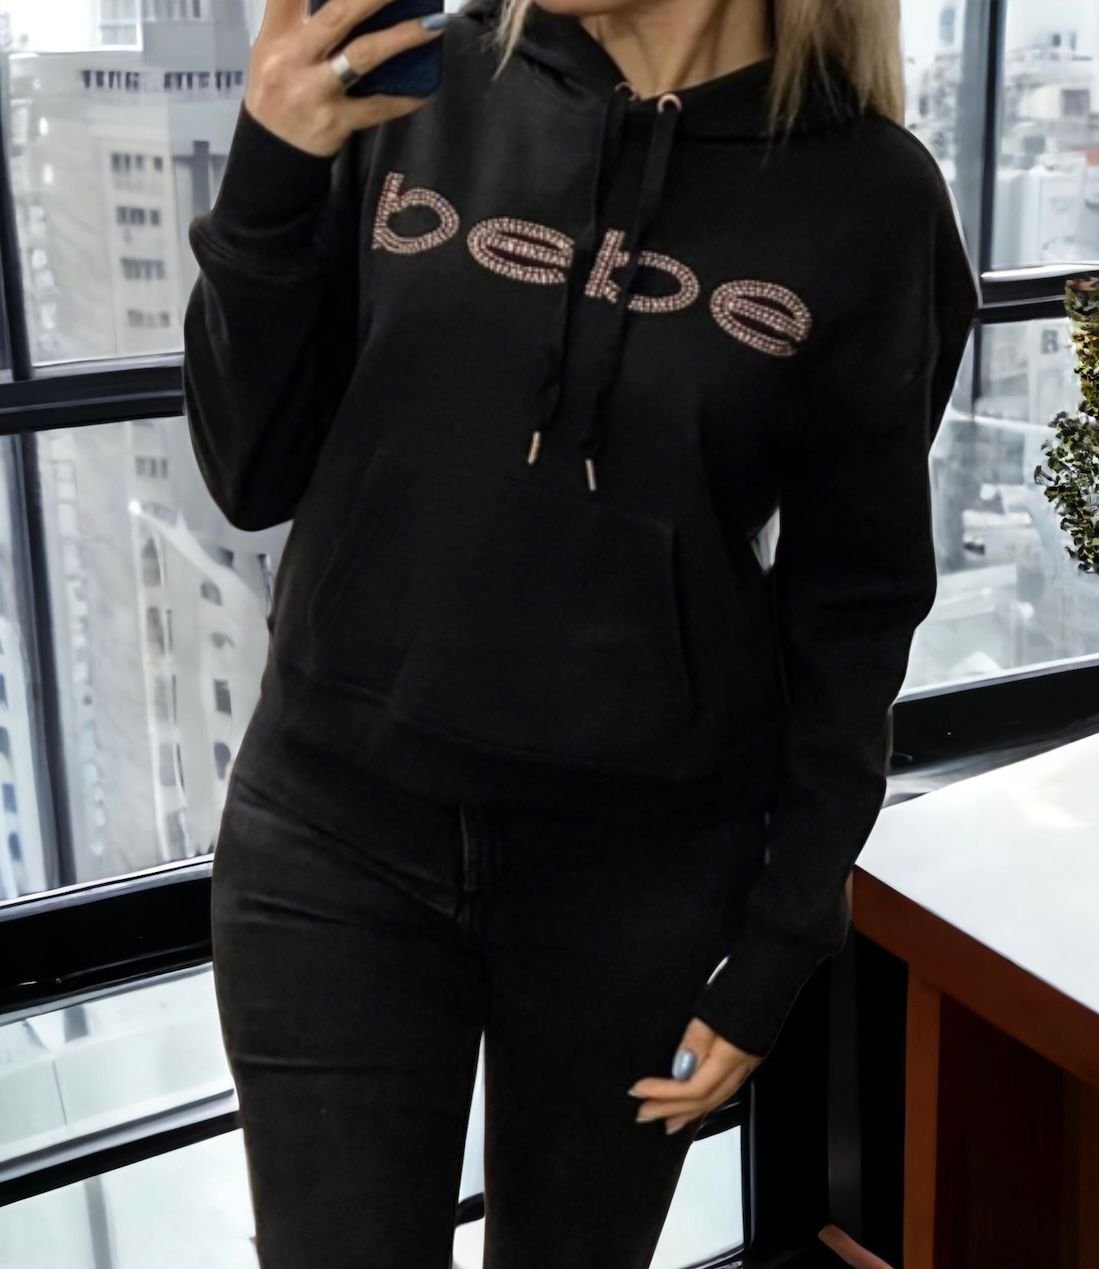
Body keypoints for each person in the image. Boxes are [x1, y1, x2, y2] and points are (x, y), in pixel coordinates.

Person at [183, 0, 979, 1263]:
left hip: (641, 888)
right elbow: (249, 471)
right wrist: (270, 175)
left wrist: (785, 934)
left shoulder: (873, 201)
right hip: (333, 840)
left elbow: (856, 607)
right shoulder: (411, 91)